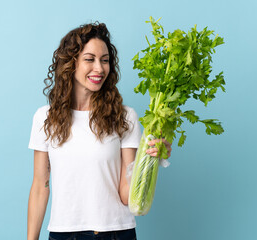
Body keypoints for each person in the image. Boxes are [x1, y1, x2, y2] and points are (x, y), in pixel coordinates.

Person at [27, 22, 172, 240]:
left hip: (116, 232)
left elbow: (126, 196)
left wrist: (149, 160)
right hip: (64, 234)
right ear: (71, 63)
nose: (99, 68)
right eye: (89, 59)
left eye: (105, 60)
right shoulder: (45, 118)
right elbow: (40, 186)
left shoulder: (124, 117)